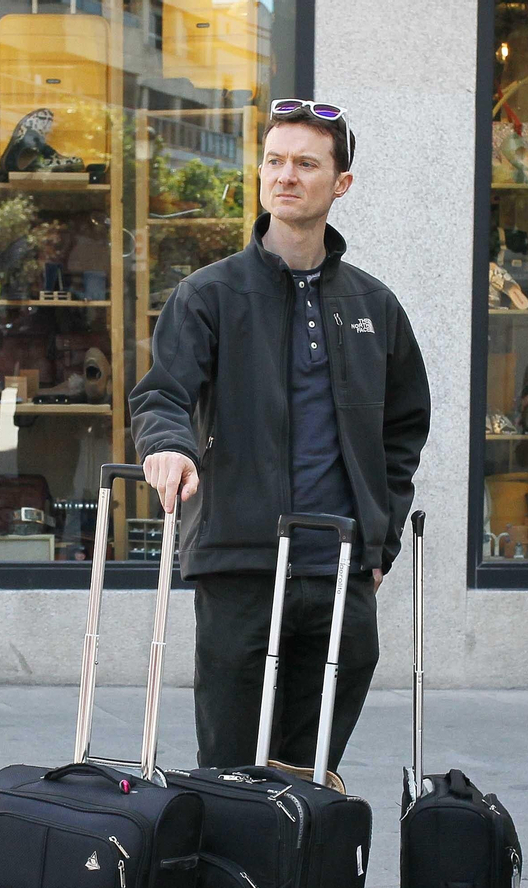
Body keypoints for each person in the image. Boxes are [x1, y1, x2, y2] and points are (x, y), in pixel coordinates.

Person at [130, 100, 431, 774]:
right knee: (230, 770)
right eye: (274, 161)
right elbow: (163, 394)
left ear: (341, 183)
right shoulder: (208, 295)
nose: (285, 175)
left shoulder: (374, 306)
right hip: (239, 565)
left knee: (311, 772)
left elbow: (403, 430)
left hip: (339, 569)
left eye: (305, 164)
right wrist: (168, 446)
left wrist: (378, 541)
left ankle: (303, 847)